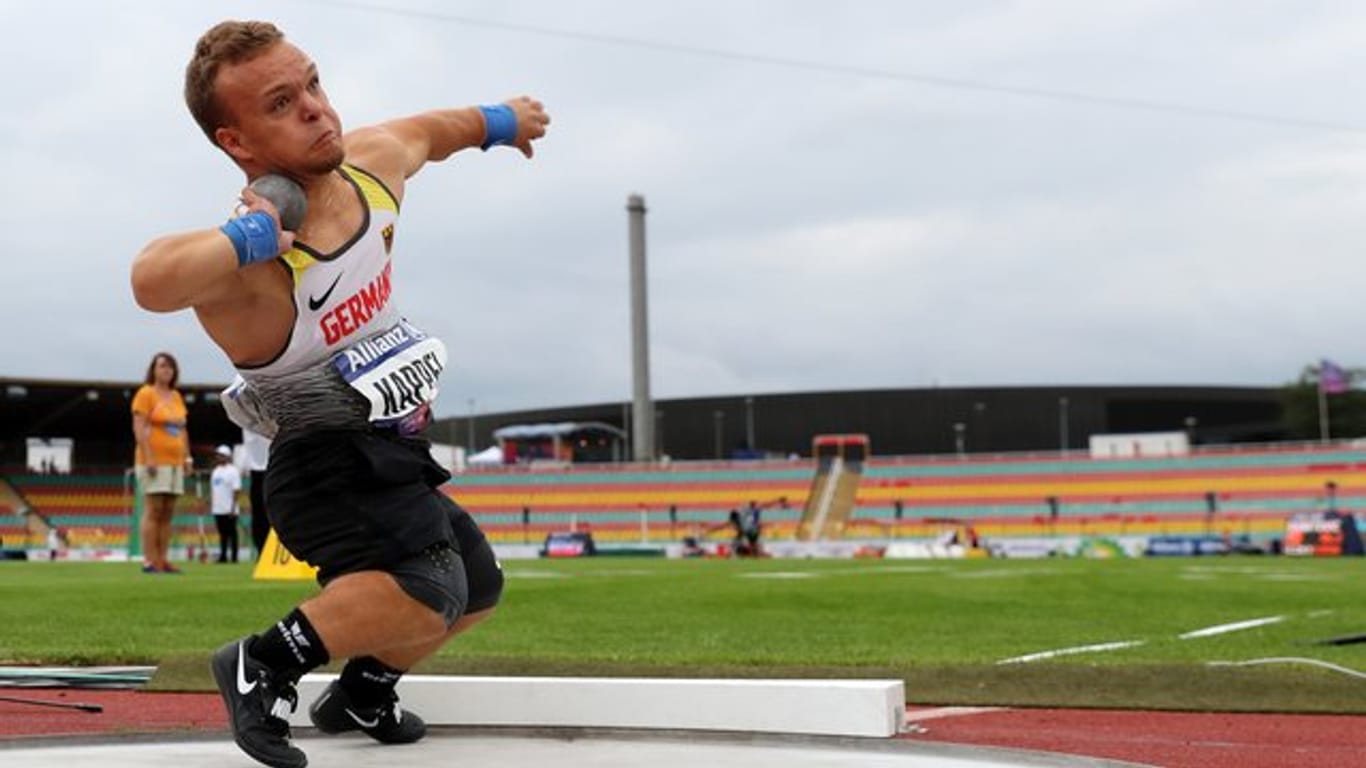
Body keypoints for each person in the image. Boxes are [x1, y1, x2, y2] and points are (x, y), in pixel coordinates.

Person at [131, 20, 547, 768]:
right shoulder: (253, 269)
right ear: (237, 142)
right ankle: (263, 661)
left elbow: (433, 130)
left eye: (314, 83)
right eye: (282, 103)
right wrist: (245, 240)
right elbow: (150, 279)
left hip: (394, 450)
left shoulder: (371, 167)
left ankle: (362, 690)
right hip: (321, 467)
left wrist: (501, 122)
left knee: (477, 584)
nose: (318, 108)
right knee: (429, 586)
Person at [131, 352, 193, 574]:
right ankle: (149, 560)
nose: (166, 370)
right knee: (154, 509)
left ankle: (162, 559)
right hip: (154, 461)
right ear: (153, 370)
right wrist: (149, 457)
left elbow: (182, 430)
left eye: (170, 367)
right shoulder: (145, 394)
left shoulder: (176, 396)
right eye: (162, 366)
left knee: (168, 511)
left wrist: (187, 457)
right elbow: (139, 427)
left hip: (175, 461)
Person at [211, 445, 244, 563]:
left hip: (229, 509)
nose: (218, 457)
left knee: (232, 534)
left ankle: (234, 557)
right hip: (218, 509)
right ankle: (223, 556)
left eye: (221, 455)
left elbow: (237, 490)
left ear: (227, 457)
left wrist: (233, 507)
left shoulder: (233, 471)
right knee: (222, 534)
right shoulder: (216, 471)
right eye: (218, 455)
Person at [242, 428, 271, 559]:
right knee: (259, 515)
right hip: (258, 469)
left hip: (274, 465)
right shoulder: (247, 415)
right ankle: (262, 551)